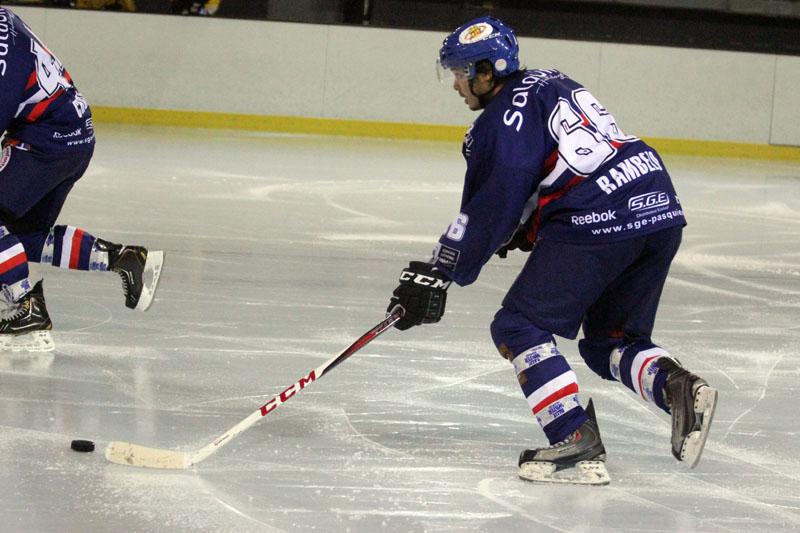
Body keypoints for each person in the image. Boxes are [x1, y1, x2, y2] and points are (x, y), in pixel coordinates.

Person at [386, 15, 718, 485]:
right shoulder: (550, 80)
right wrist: (519, 232)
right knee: (609, 343)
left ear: (487, 72)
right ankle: (677, 386)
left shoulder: (498, 122)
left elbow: (494, 204)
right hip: (656, 201)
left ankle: (574, 441)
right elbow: (546, 173)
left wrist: (441, 269)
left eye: (461, 73)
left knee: (518, 326)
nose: (456, 84)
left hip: (599, 214)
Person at [0, 7, 163, 352]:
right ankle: (124, 259)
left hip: (46, 145)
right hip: (71, 139)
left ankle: (26, 309)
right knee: (24, 237)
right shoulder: (3, 18)